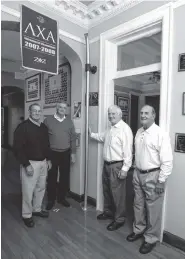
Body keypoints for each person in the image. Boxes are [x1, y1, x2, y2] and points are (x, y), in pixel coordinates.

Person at [126, 105, 173, 254]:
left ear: (154, 115)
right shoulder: (139, 131)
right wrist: (134, 169)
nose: (143, 115)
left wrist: (161, 180)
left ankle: (151, 238)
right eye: (141, 113)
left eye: (146, 113)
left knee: (153, 209)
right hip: (137, 173)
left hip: (153, 175)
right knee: (138, 204)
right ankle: (138, 230)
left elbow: (167, 161)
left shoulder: (160, 134)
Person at [89, 105, 133, 231]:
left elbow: (128, 152)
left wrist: (125, 169)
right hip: (107, 165)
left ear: (120, 115)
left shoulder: (125, 129)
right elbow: (102, 137)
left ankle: (119, 219)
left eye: (113, 114)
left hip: (117, 166)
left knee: (118, 194)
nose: (111, 116)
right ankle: (108, 212)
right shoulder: (110, 129)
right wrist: (91, 134)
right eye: (109, 113)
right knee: (107, 190)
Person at [13, 103, 52, 228]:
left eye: (39, 111)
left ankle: (37, 209)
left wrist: (49, 160)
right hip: (30, 164)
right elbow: (18, 148)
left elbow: (47, 145)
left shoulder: (43, 127)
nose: (37, 113)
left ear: (41, 113)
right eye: (34, 111)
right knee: (28, 191)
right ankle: (27, 215)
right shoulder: (22, 127)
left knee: (40, 188)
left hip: (43, 162)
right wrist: (26, 164)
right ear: (29, 112)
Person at [44, 102, 76, 210]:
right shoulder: (48, 120)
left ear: (66, 109)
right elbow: (44, 139)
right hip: (52, 153)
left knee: (64, 177)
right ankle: (51, 199)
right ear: (56, 108)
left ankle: (61, 198)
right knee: (52, 177)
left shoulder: (69, 121)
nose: (62, 109)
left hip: (65, 153)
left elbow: (72, 138)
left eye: (64, 108)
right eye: (60, 107)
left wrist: (73, 153)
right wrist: (47, 156)